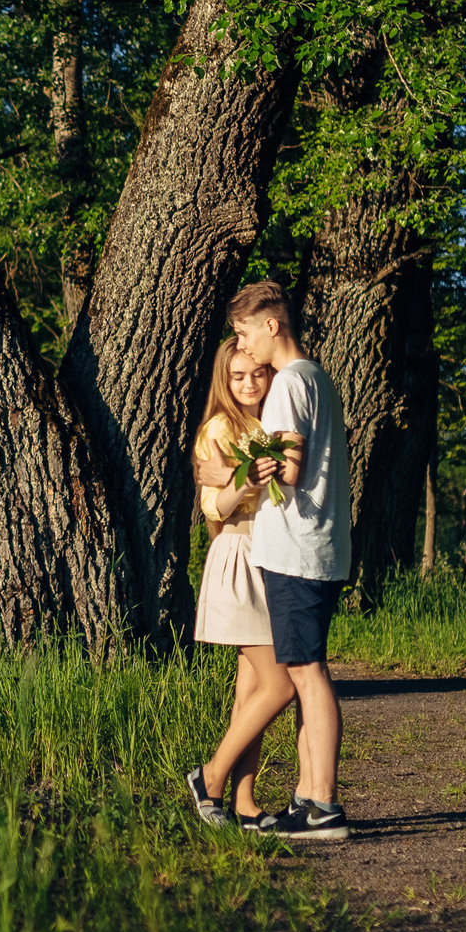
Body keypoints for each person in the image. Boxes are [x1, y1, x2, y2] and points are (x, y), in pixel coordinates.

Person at [183, 279, 353, 843]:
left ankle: (311, 801)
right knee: (293, 677)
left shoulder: (287, 388)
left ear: (270, 326)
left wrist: (230, 474)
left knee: (300, 675)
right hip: (305, 549)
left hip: (295, 550)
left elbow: (291, 472)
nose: (244, 346)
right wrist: (230, 478)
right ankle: (297, 797)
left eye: (244, 332)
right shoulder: (317, 379)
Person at [185, 339, 289, 826]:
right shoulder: (220, 427)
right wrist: (240, 480)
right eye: (238, 377)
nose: (249, 384)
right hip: (239, 555)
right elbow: (214, 508)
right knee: (280, 684)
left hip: (270, 558)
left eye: (257, 374)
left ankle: (245, 803)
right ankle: (209, 777)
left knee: (251, 694)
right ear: (223, 382)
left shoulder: (270, 423)